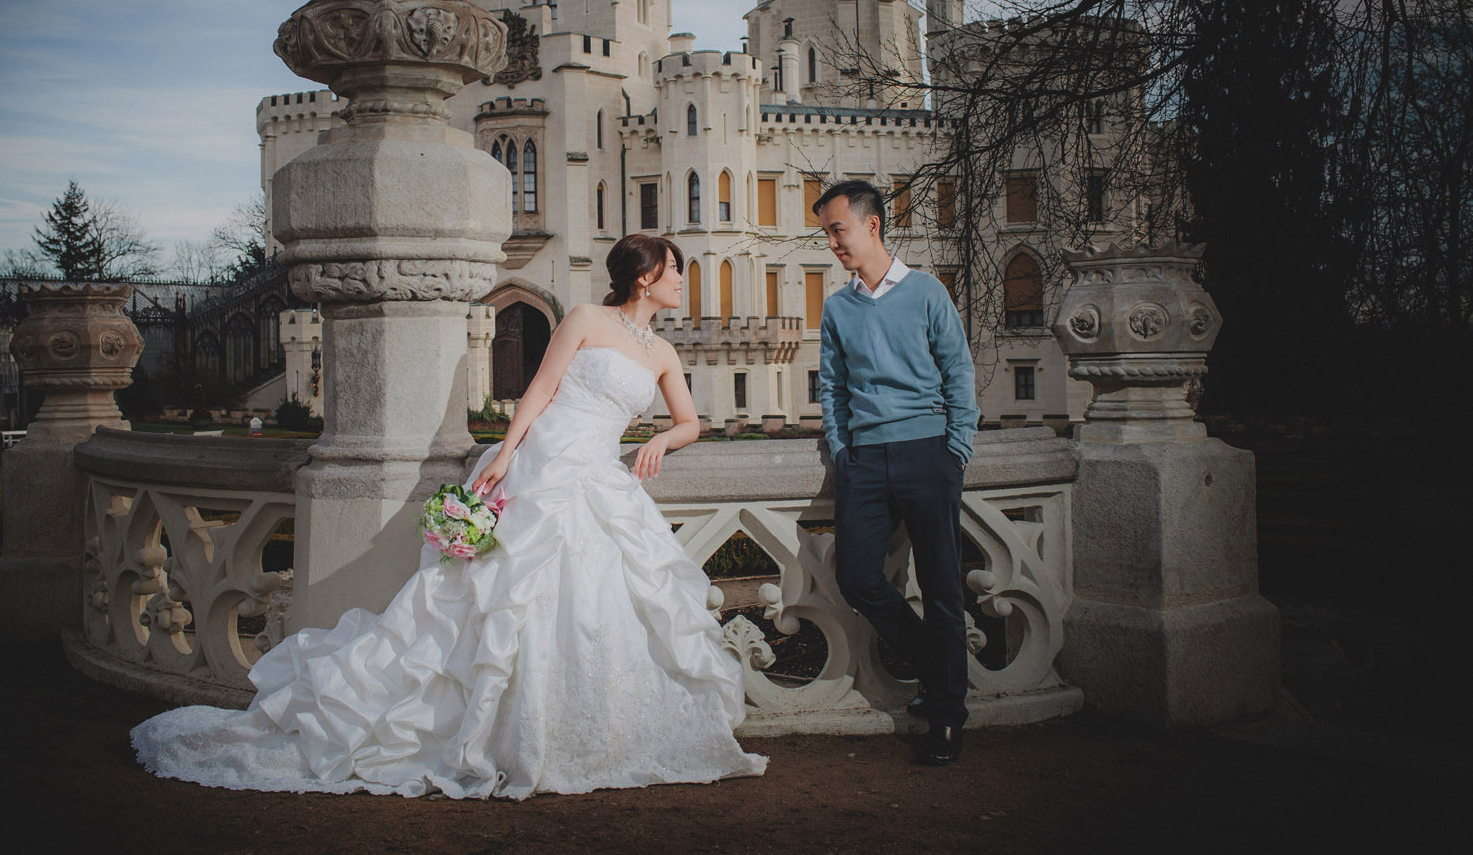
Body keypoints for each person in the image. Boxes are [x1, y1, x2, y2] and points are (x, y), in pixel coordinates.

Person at [129, 234, 766, 799]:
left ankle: (589, 727)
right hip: (544, 464)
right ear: (646, 275)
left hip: (602, 473)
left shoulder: (661, 352)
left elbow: (691, 422)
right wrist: (506, 456)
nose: (684, 279)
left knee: (601, 600)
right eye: (676, 268)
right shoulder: (584, 318)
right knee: (500, 595)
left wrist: (656, 442)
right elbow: (539, 391)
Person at [813, 179, 980, 766]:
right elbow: (830, 385)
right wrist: (841, 449)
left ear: (872, 225)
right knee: (858, 578)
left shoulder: (929, 293)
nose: (832, 242)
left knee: (942, 587)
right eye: (828, 232)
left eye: (838, 229)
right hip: (864, 462)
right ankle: (939, 670)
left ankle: (947, 717)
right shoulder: (838, 306)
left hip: (928, 454)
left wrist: (955, 448)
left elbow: (958, 372)